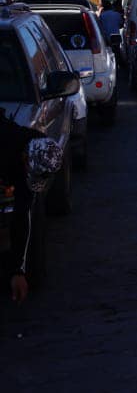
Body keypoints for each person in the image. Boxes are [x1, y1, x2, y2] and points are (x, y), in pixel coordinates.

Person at [0, 117, 62, 304]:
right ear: (25, 159)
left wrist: (18, 270)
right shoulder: (5, 148)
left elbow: (23, 215)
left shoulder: (38, 147)